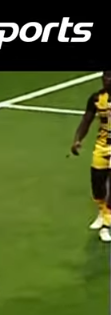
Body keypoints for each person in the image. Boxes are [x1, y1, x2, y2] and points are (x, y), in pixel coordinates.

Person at [71, 71, 111, 242]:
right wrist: (77, 139)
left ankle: (107, 225)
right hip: (102, 146)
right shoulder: (96, 98)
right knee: (97, 183)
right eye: (105, 77)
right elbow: (86, 120)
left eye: (109, 77)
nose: (106, 80)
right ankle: (102, 212)